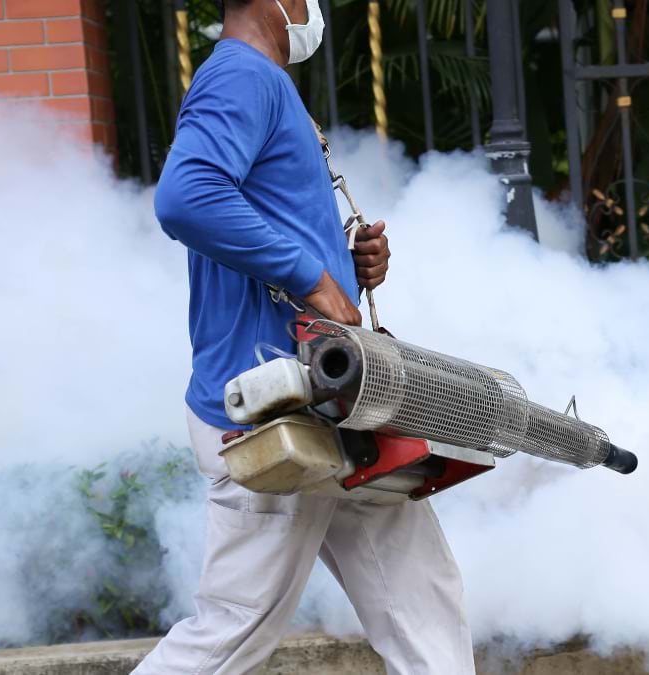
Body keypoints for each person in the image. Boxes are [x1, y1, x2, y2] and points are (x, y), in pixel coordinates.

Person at [133, 0, 475, 673]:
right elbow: (186, 195)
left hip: (325, 399)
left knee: (423, 601)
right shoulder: (243, 74)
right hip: (274, 405)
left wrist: (346, 261)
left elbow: (255, 223)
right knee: (234, 629)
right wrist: (316, 279)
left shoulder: (257, 79)